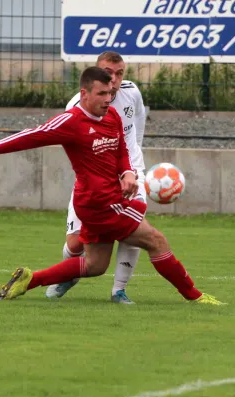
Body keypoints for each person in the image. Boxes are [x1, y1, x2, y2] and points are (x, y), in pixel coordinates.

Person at [0, 66, 224, 306]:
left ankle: (30, 279)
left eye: (110, 93)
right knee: (156, 239)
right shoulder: (72, 121)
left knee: (96, 265)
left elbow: (121, 149)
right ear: (84, 93)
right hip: (98, 204)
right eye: (101, 94)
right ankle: (195, 296)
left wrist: (128, 173)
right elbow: (34, 135)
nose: (108, 99)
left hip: (109, 199)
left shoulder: (112, 118)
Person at [46, 51, 147, 304]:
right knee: (76, 241)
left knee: (133, 229)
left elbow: (137, 127)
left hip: (131, 173)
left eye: (120, 73)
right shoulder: (76, 105)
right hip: (93, 180)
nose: (114, 79)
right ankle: (69, 275)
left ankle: (119, 291)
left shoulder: (131, 92)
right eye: (108, 72)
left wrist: (133, 167)